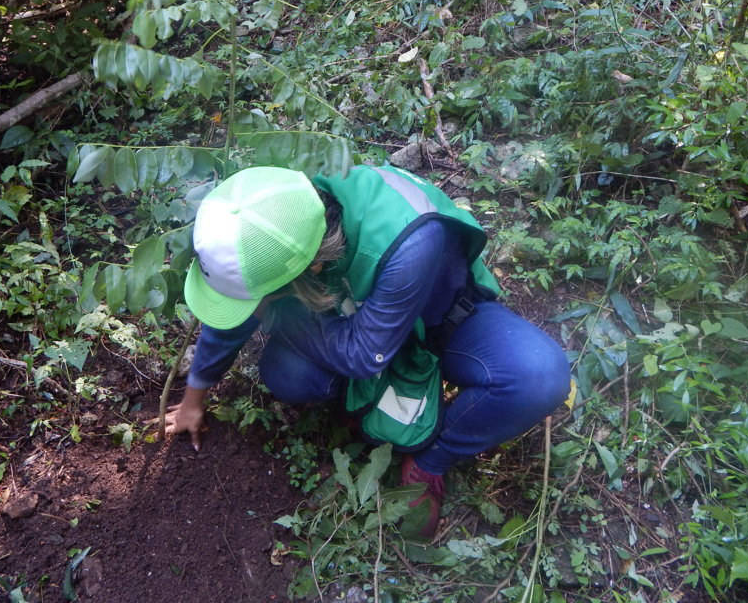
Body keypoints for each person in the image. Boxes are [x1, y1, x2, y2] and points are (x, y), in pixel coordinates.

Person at [165, 165, 570, 538]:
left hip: (441, 321)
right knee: (287, 372)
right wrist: (195, 397)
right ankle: (361, 411)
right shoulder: (277, 223)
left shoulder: (406, 238)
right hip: (355, 326)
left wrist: (276, 317)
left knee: (538, 377)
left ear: (312, 268)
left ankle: (430, 459)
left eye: (263, 300)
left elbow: (363, 354)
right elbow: (237, 307)